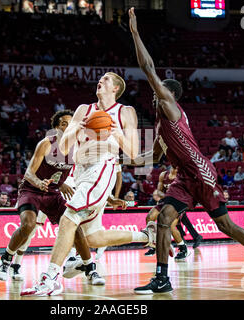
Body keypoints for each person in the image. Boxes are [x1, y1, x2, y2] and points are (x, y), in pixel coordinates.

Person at [128, 7, 244, 294]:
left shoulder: (171, 108)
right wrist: (125, 159)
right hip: (184, 177)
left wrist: (135, 33)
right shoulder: (162, 125)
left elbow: (149, 69)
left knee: (224, 225)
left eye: (158, 91)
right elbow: (154, 157)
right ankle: (162, 277)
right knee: (164, 219)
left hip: (200, 171)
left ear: (169, 94)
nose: (153, 94)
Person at [23, 73, 157, 297]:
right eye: (101, 78)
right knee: (92, 236)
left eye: (105, 79)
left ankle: (51, 278)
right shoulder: (83, 109)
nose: (100, 81)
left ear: (115, 88)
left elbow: (134, 154)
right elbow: (63, 149)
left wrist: (116, 134)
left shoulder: (125, 112)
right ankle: (147, 236)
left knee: (69, 218)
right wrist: (76, 128)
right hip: (78, 171)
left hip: (102, 167)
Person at [0, 110, 119, 285]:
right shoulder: (46, 144)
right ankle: (6, 260)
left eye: (71, 123)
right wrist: (38, 183)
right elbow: (29, 173)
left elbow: (90, 178)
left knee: (75, 228)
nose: (68, 127)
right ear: (56, 128)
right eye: (64, 124)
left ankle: (90, 269)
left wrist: (109, 197)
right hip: (31, 189)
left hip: (53, 193)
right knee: (29, 225)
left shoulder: (78, 150)